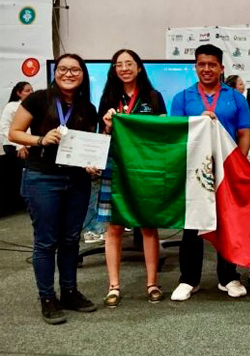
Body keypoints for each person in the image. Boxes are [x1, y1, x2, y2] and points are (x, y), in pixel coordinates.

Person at [9, 54, 99, 324]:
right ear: (55, 72)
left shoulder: (87, 106)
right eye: (63, 69)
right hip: (43, 178)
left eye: (75, 69)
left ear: (82, 74)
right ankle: (47, 297)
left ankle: (69, 292)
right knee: (46, 241)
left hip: (77, 181)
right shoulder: (38, 99)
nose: (68, 73)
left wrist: (90, 164)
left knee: (71, 239)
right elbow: (14, 133)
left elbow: (88, 143)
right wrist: (40, 139)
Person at [169, 44, 250, 301]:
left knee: (227, 222)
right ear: (195, 67)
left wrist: (238, 164)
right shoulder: (182, 98)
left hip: (227, 169)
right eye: (202, 64)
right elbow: (176, 134)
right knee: (192, 224)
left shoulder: (235, 97)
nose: (207, 69)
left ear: (221, 68)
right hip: (195, 172)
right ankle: (188, 279)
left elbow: (244, 134)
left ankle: (228, 277)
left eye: (212, 65)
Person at [98, 49, 168, 307]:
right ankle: (113, 286)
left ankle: (152, 283)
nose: (124, 68)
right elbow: (102, 136)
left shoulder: (153, 97)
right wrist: (107, 125)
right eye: (119, 64)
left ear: (139, 67)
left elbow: (162, 131)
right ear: (114, 69)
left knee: (148, 224)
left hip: (144, 167)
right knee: (114, 227)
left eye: (129, 63)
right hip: (114, 165)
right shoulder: (108, 97)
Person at [1, 81, 33, 213]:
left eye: (32, 90)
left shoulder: (32, 106)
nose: (31, 93)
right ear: (18, 93)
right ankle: (25, 204)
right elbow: (5, 128)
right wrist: (19, 145)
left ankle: (30, 202)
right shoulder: (11, 106)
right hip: (14, 146)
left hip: (29, 145)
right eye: (27, 90)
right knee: (22, 175)